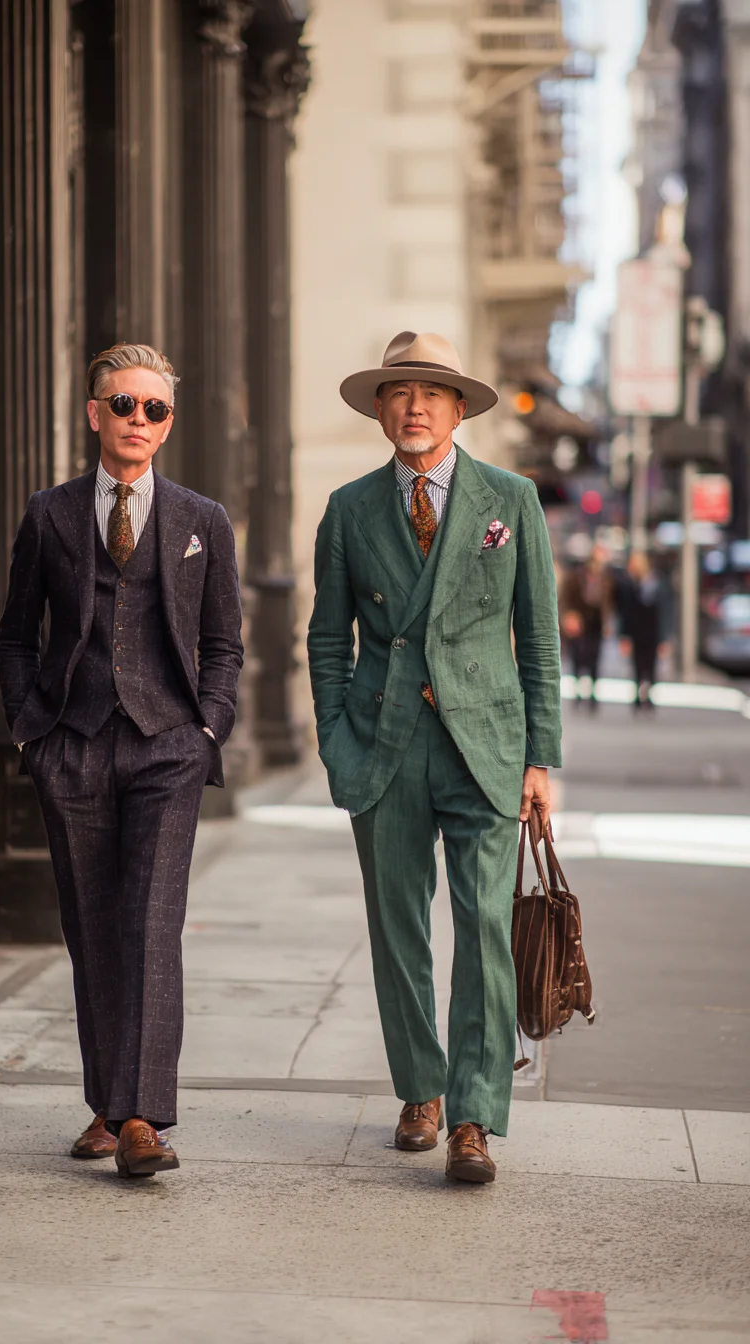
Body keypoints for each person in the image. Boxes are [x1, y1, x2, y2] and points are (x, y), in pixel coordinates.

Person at [308, 332, 561, 1185]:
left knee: (486, 929)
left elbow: (539, 638)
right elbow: (325, 639)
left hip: (485, 745)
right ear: (380, 409)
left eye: (432, 392)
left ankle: (475, 1114)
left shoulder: (511, 499)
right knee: (397, 928)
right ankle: (420, 1088)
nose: (414, 406)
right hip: (384, 748)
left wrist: (541, 757)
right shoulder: (348, 509)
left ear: (460, 409)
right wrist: (334, 741)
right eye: (398, 391)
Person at [0, 343, 243, 1178]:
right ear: (95, 413)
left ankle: (141, 1118)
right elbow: (13, 635)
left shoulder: (202, 519)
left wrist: (207, 727)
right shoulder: (51, 514)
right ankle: (106, 1105)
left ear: (170, 423)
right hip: (72, 744)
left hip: (167, 747)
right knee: (91, 931)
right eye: (125, 405)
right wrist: (32, 733)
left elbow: (224, 645)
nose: (141, 419)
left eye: (156, 409)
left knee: (149, 926)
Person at [559, 545, 613, 709]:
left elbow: (608, 603)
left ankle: (592, 695)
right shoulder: (576, 577)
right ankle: (577, 692)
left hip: (595, 624)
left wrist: (607, 622)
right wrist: (568, 616)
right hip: (579, 623)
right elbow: (565, 599)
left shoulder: (606, 580)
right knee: (578, 657)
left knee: (594, 658)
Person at [618, 550, 669, 711]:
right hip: (636, 633)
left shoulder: (657, 583)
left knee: (651, 665)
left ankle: (649, 695)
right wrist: (624, 636)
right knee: (637, 665)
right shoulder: (628, 585)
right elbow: (624, 612)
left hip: (652, 633)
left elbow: (665, 611)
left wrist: (664, 638)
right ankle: (639, 695)